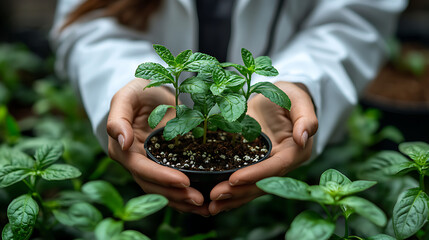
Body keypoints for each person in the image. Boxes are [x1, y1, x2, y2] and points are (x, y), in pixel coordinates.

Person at [50, 0, 407, 216]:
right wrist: (120, 82)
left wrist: (301, 82)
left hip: (285, 159)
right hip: (145, 143)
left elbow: (356, 18)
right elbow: (86, 22)